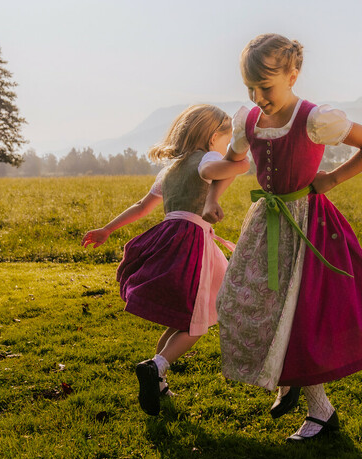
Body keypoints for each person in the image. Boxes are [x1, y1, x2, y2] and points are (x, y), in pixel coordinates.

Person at [214, 33, 362, 442]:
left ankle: (318, 410)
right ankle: (289, 378)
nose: (258, 96)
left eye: (266, 86)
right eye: (250, 88)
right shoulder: (248, 120)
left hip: (310, 226)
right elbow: (232, 160)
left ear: (293, 75)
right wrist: (210, 197)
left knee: (304, 313)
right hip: (266, 222)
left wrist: (331, 178)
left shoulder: (314, 118)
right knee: (240, 300)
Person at [81, 104, 250, 416]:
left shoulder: (169, 170)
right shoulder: (210, 158)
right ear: (213, 137)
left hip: (170, 236)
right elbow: (223, 169)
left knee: (183, 318)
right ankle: (156, 366)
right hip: (193, 242)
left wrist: (107, 229)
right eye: (225, 141)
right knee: (198, 325)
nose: (226, 148)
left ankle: (157, 382)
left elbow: (142, 206)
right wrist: (239, 161)